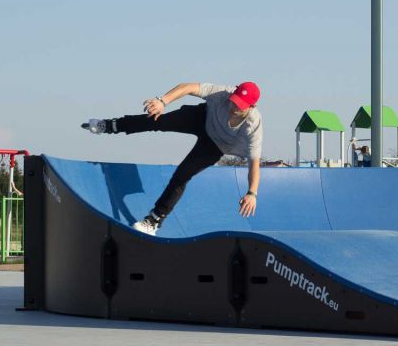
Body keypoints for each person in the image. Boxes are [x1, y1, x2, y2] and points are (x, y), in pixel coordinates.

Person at [82, 82, 263, 235]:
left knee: (182, 175)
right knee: (158, 120)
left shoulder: (253, 125)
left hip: (216, 145)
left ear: (251, 107)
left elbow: (254, 163)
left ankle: (154, 220)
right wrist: (163, 101)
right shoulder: (222, 94)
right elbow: (188, 87)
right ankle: (109, 125)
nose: (233, 107)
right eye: (233, 102)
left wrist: (251, 193)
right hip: (202, 117)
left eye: (239, 106)